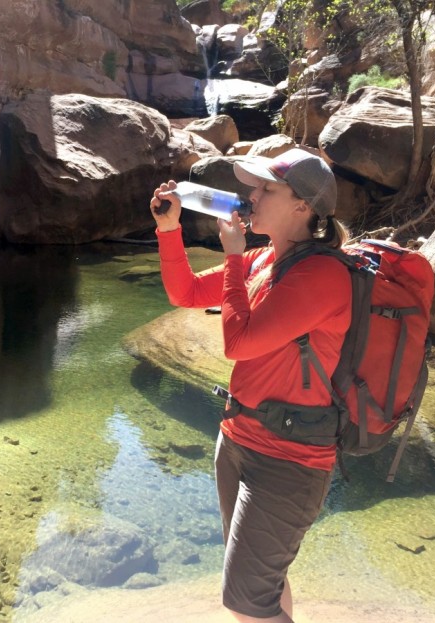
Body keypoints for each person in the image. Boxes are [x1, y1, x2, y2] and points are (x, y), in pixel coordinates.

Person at [149, 148, 352, 623]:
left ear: (302, 206)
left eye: (266, 189)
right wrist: (169, 229)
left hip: (289, 457)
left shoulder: (323, 275)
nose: (251, 196)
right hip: (238, 440)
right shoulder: (264, 260)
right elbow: (184, 292)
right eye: (253, 187)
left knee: (246, 603)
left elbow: (238, 343)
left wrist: (233, 258)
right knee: (263, 587)